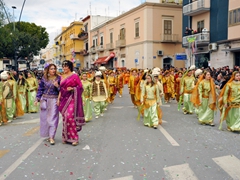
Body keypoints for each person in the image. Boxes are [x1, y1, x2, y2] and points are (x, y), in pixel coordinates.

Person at [58, 60, 85, 146]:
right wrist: (58, 99)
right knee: (65, 118)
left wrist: (73, 89)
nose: (64, 68)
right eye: (63, 66)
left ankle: (74, 138)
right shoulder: (61, 77)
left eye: (66, 66)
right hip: (63, 99)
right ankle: (66, 137)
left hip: (72, 98)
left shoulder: (75, 76)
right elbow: (60, 89)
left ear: (70, 67)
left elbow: (80, 87)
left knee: (70, 117)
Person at [35, 64, 61, 145]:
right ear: (48, 70)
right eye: (51, 69)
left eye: (54, 68)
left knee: (52, 118)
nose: (53, 70)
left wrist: (57, 86)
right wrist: (37, 99)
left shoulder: (58, 78)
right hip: (45, 100)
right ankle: (48, 135)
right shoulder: (44, 78)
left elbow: (62, 90)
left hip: (54, 99)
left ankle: (52, 137)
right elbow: (40, 89)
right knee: (45, 119)